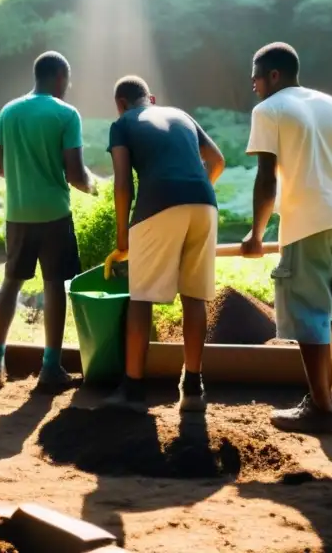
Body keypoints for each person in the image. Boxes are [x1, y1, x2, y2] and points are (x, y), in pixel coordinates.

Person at [240, 43, 332, 434]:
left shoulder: (269, 109)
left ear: (274, 76)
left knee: (311, 312)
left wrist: (257, 234)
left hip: (307, 222)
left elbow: (266, 179)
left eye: (256, 78)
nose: (253, 86)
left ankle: (321, 407)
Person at [102, 76, 225, 412]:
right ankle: (193, 387)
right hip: (204, 204)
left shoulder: (122, 123)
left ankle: (133, 389)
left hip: (158, 204)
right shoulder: (182, 116)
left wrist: (123, 237)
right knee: (194, 295)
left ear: (121, 104)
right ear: (151, 99)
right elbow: (217, 161)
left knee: (141, 298)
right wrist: (192, 189)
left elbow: (123, 183)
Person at [0, 51, 98, 391]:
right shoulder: (66, 114)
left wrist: (23, 174)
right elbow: (75, 174)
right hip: (53, 215)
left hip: (17, 214)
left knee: (11, 282)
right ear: (60, 77)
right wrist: (95, 188)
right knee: (55, 284)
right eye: (68, 80)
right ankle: (50, 368)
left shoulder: (9, 110)